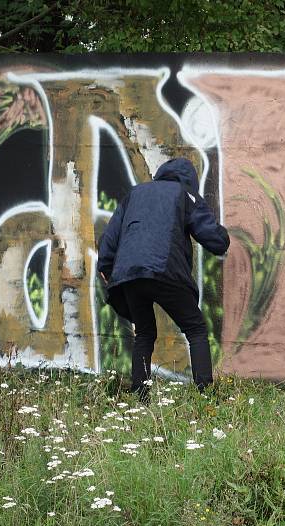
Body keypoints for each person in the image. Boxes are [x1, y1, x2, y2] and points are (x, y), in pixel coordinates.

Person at [97, 158, 229, 400]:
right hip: (165, 270)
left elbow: (110, 236)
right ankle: (204, 395)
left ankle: (140, 397)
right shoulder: (185, 194)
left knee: (145, 333)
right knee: (196, 329)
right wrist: (224, 237)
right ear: (189, 180)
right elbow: (213, 239)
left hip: (130, 275)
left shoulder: (135, 194)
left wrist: (106, 267)